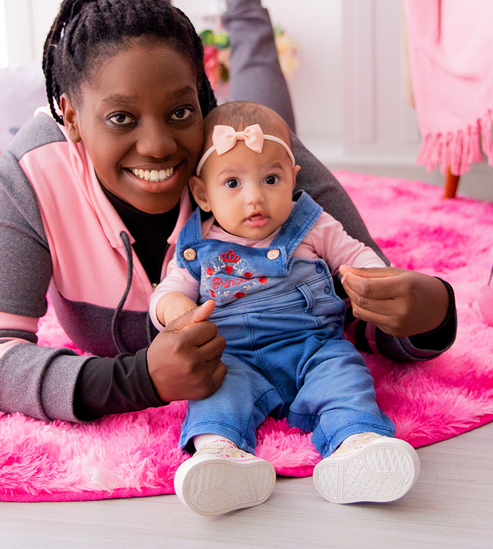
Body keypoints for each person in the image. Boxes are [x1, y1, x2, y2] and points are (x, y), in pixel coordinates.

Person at [0, 0, 456, 478]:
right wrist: (138, 379)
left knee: (262, 100)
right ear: (69, 116)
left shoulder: (251, 152)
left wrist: (431, 313)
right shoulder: (30, 173)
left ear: (203, 96)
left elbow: (365, 306)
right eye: (120, 118)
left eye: (182, 111)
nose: (160, 146)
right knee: (135, 55)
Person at [153, 100, 421, 516]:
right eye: (232, 184)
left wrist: (371, 279)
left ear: (293, 180)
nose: (255, 197)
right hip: (234, 356)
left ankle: (358, 444)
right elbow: (169, 291)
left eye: (271, 179)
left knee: (344, 379)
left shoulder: (311, 224)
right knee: (214, 393)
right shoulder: (196, 245)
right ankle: (220, 456)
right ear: (202, 193)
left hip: (313, 346)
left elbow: (356, 253)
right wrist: (174, 311)